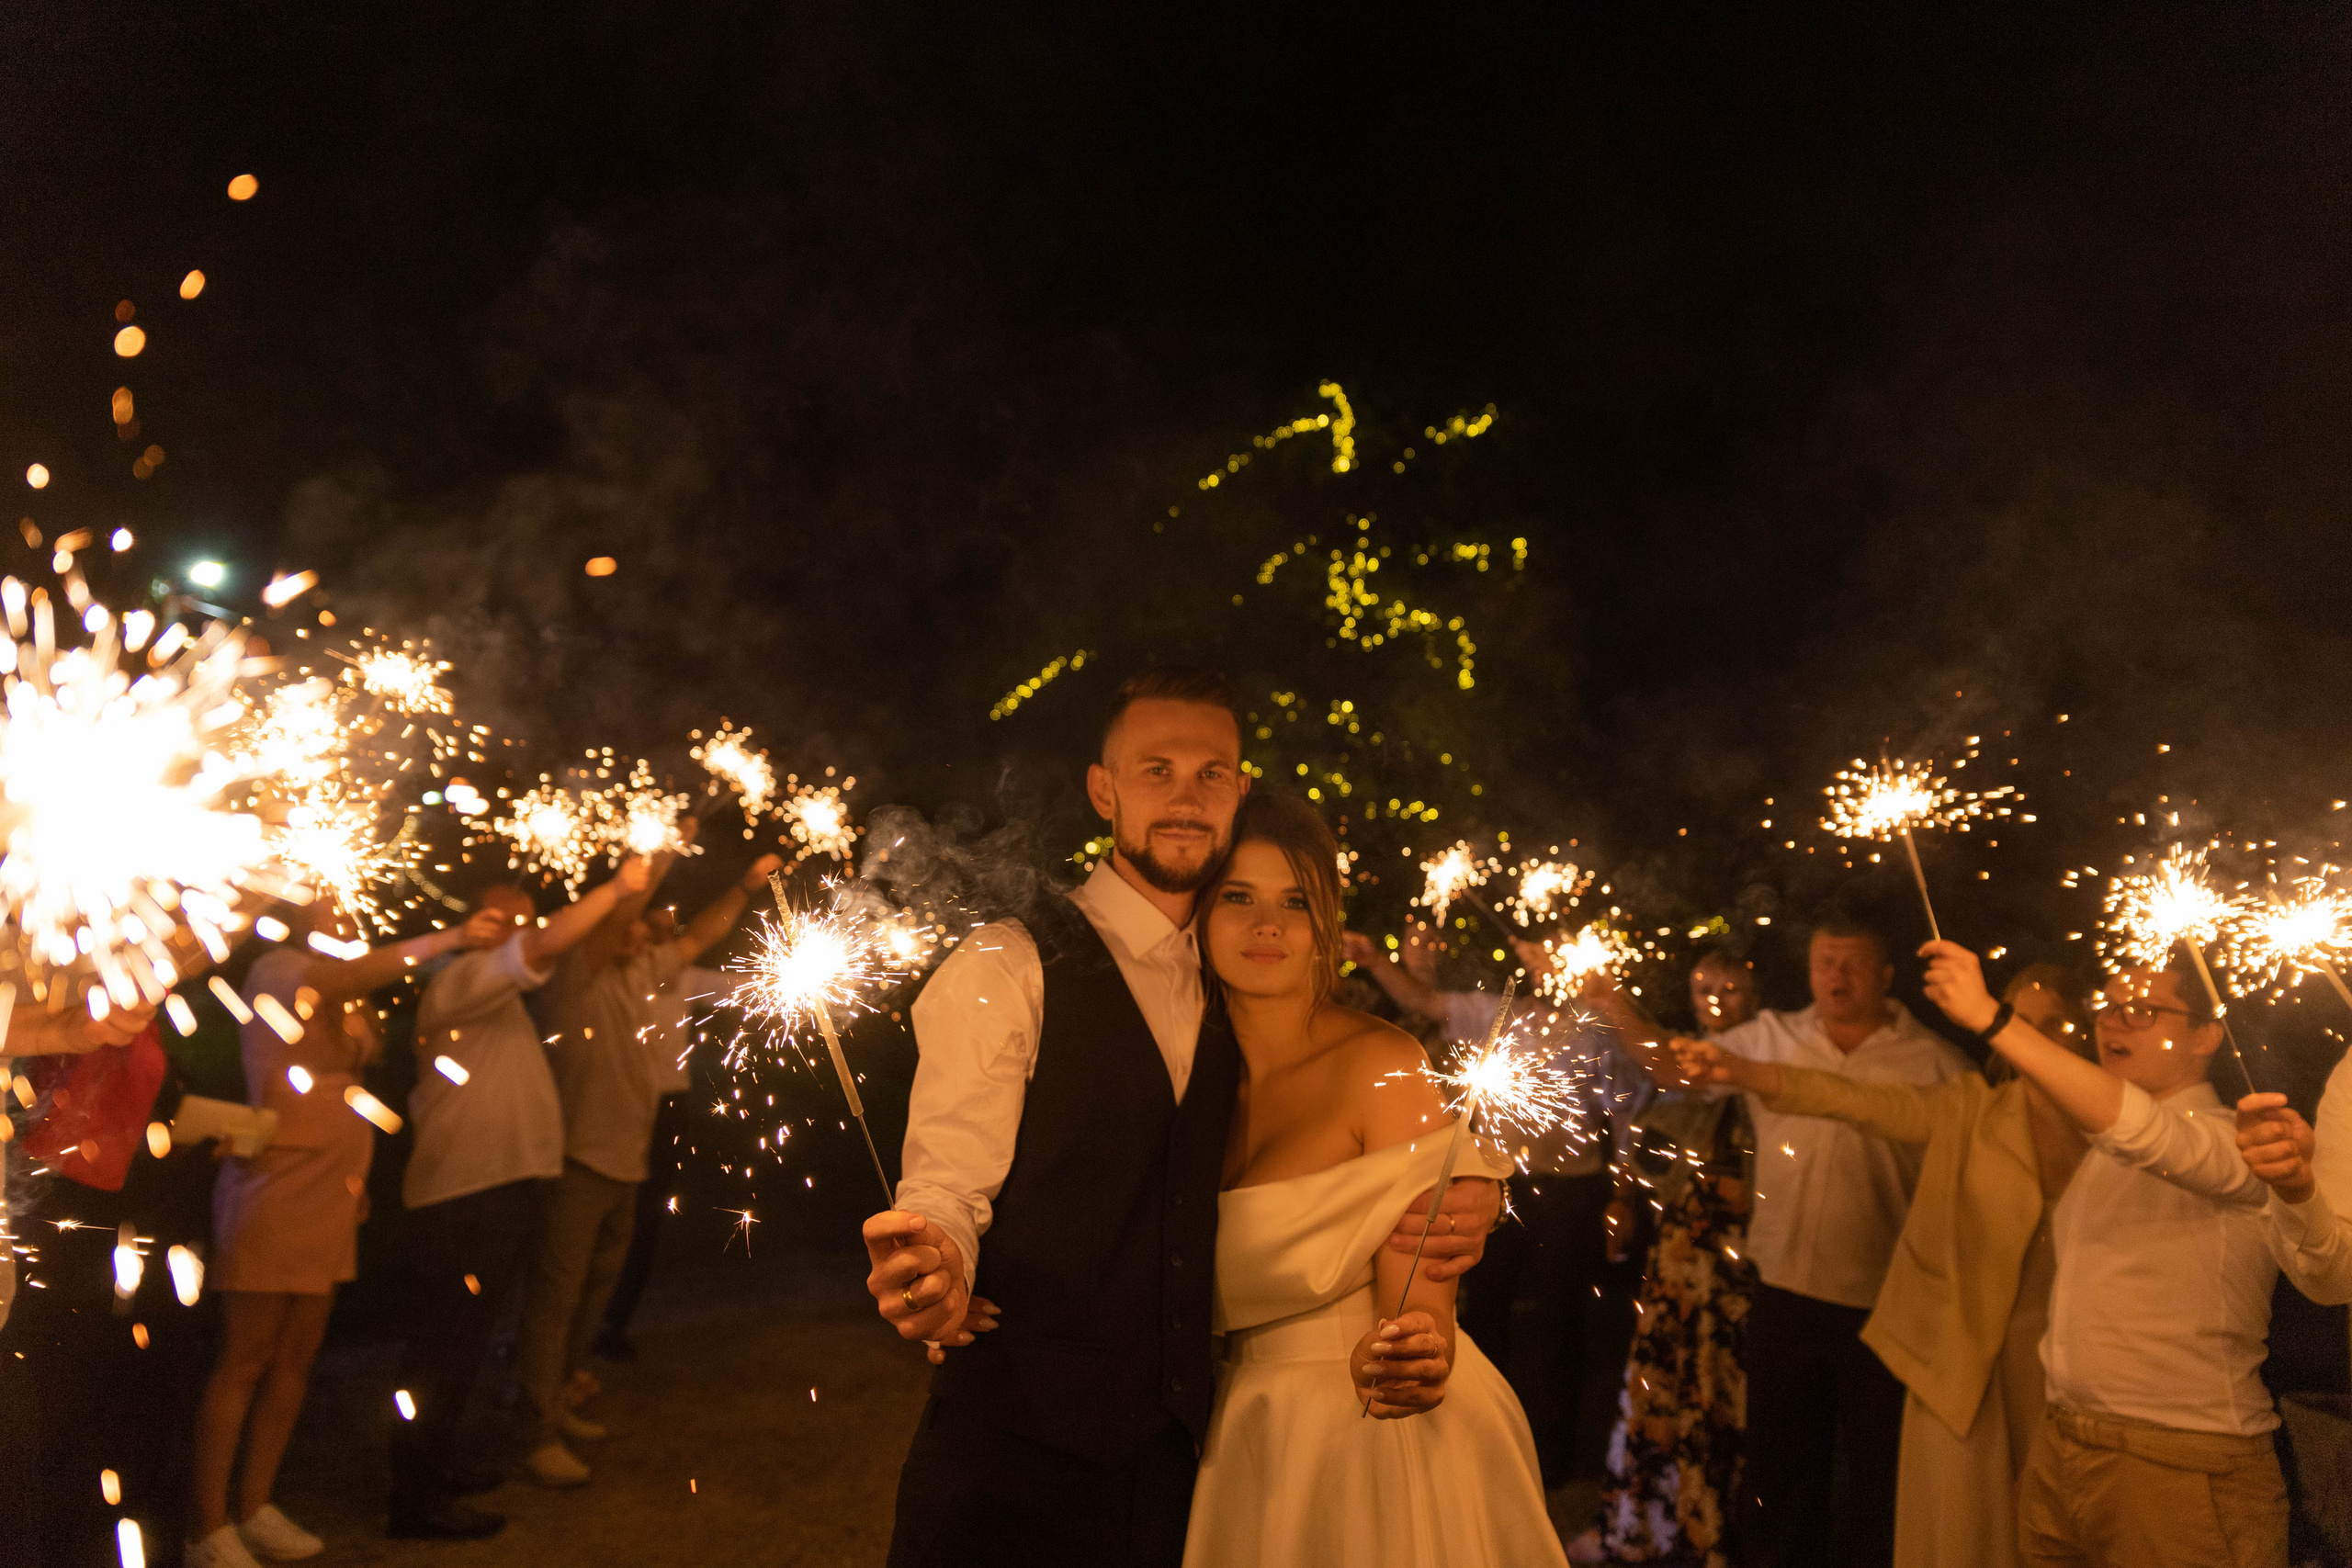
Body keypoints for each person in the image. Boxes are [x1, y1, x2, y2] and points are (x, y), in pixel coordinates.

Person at [861, 667, 1502, 1568]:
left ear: (1238, 793)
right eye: (1155, 768)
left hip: (1185, 1476)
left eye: (1211, 773)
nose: (1185, 795)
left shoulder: (1236, 993)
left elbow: (1357, 1179)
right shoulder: (1008, 965)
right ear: (1102, 789)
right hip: (1014, 1466)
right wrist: (935, 1259)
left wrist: (1449, 1202)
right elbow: (947, 1182)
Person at [1182, 793, 1566, 1566]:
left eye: (1296, 901)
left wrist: (1409, 1354)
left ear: (1326, 923)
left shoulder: (1381, 1063)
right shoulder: (1179, 1078)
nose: (1269, 925)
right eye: (1239, 897)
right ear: (1196, 912)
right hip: (1237, 1435)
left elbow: (1421, 1298)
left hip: (1369, 1436)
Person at [1668, 963, 2090, 1568]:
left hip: (2067, 1380)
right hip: (1965, 1368)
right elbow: (1856, 1100)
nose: (2038, 1037)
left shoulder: (2118, 1130)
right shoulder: (1972, 1106)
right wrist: (1741, 1069)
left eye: (2056, 1023)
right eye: (2021, 1021)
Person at [1606, 914, 1971, 1568]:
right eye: (1824, 960)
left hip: (1883, 1299)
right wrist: (1610, 1002)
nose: (1836, 975)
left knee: (1878, 1470)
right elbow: (1677, 1065)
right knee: (1780, 1465)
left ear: (1886, 975)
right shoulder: (1771, 1036)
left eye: (1852, 962)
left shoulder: (1938, 1063)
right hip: (1780, 1289)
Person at [1917, 939, 2291, 1568]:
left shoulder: (2239, 1142)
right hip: (2067, 1447)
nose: (2115, 1020)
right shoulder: (2103, 1152)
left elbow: (2148, 1132)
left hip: (2183, 1465)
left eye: (2144, 1009)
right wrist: (2053, 1456)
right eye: (2110, 1005)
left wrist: (1992, 1018)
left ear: (2205, 1036)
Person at [188, 901, 510, 1568]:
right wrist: (450, 936)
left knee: (295, 1357)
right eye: (323, 898)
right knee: (246, 1356)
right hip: (273, 1186)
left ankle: (257, 1505)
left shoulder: (345, 979)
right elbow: (346, 985)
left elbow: (356, 1045)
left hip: (332, 1189)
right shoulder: (279, 968)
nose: (338, 905)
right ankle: (207, 1527)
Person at [384, 857, 652, 1540]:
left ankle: (438, 1466)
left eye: (523, 919)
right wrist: (618, 890)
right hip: (461, 1195)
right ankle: (412, 1500)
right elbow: (549, 943)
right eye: (502, 918)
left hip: (495, 1192)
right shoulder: (459, 980)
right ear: (471, 925)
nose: (520, 931)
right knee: (438, 1350)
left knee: (464, 1346)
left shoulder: (496, 999)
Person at [1344, 919, 1654, 1489]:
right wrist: (1373, 958)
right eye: (1540, 953)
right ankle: (1468, 1443)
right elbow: (1422, 1000)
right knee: (1485, 1311)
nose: (1546, 963)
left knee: (1553, 1326)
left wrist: (1623, 1195)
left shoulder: (1603, 1028)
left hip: (1568, 1195)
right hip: (1493, 1188)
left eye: (1560, 953)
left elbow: (1627, 1117)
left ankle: (1547, 1459)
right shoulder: (1498, 1011)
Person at [517, 840, 781, 1487]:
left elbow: (699, 936)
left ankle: (559, 1399)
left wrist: (745, 886)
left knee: (593, 1295)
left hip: (627, 1163)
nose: (640, 935)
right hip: (579, 1162)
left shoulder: (644, 976)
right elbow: (612, 923)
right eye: (631, 927)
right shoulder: (576, 981)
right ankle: (533, 1430)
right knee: (554, 1303)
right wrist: (655, 855)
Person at [1572, 945, 1764, 1568]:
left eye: (1730, 987)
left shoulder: (1761, 1056)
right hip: (1674, 1257)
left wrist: (1611, 1002)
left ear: (1754, 994)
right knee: (1660, 1385)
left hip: (1730, 1265)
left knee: (1714, 1390)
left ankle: (1711, 1528)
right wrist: (1622, 1203)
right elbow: (1643, 1143)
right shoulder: (1680, 1057)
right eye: (1704, 985)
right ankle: (1645, 1522)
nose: (1716, 998)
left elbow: (1664, 1059)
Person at [594, 908, 727, 1362]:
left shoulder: (685, 978)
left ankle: (611, 1323)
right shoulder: (619, 978)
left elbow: (739, 989)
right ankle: (580, 1323)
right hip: (616, 1104)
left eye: (674, 933)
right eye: (657, 933)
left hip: (668, 1108)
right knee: (605, 1215)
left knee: (646, 1219)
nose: (667, 942)